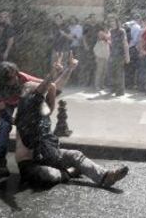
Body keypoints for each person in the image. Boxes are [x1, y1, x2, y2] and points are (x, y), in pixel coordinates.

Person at [15, 57, 129, 188]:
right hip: (31, 164)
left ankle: (105, 176)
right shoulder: (27, 106)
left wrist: (69, 69)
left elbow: (54, 87)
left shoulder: (40, 105)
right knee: (49, 176)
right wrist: (52, 74)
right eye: (37, 89)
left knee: (75, 155)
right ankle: (68, 173)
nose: (42, 91)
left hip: (48, 154)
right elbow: (44, 88)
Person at [0, 52, 78, 177]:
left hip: (21, 100)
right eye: (10, 79)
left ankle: (41, 155)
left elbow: (49, 86)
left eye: (15, 76)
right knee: (4, 127)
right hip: (7, 104)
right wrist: (17, 121)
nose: (15, 80)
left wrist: (59, 71)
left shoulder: (22, 78)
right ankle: (0, 161)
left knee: (37, 118)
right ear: (2, 80)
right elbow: (4, 113)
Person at [109, 18, 130, 96]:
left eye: (113, 22)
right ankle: (113, 88)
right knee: (112, 72)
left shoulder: (121, 31)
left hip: (120, 55)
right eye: (111, 22)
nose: (112, 23)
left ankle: (120, 91)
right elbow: (110, 42)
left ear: (117, 23)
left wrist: (127, 56)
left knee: (119, 73)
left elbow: (125, 43)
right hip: (112, 54)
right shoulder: (111, 31)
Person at [124, 13, 142, 90]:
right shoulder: (137, 27)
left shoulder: (125, 24)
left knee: (126, 67)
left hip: (124, 48)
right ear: (139, 19)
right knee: (133, 68)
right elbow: (136, 40)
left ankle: (125, 83)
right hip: (133, 49)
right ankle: (130, 84)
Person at [93, 23, 111, 91]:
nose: (106, 28)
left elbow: (109, 41)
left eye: (107, 27)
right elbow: (95, 49)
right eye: (105, 27)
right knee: (99, 71)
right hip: (100, 56)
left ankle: (102, 84)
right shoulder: (101, 34)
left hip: (106, 55)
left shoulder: (109, 34)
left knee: (104, 71)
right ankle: (97, 85)